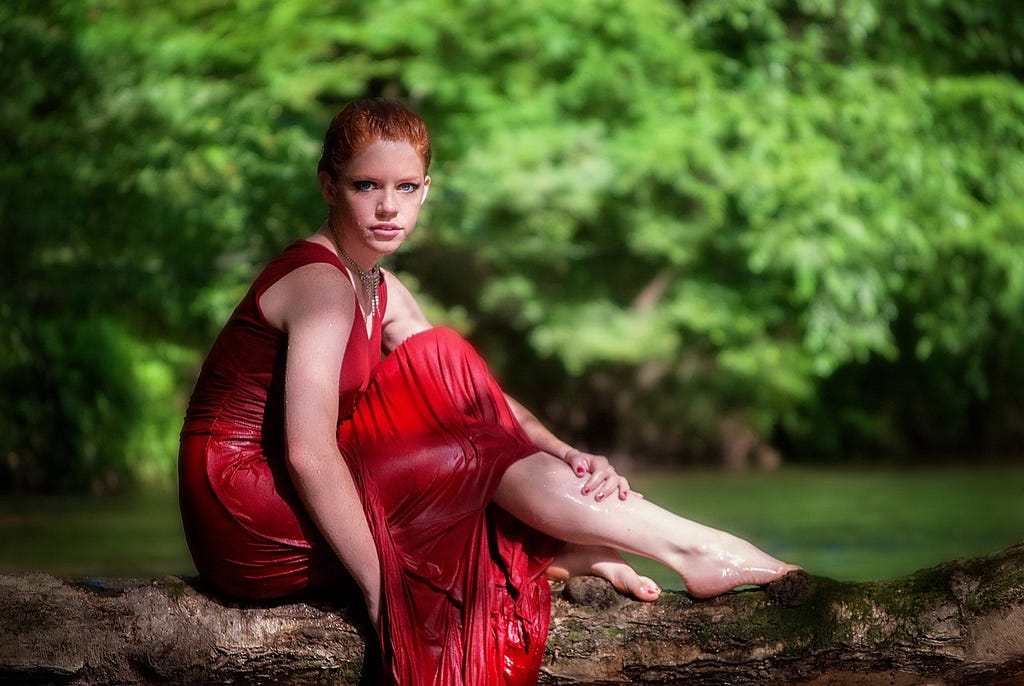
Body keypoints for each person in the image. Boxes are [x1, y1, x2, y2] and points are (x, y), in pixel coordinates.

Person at [178, 98, 800, 685]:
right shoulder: (322, 285)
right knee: (457, 431)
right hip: (245, 508)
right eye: (366, 186)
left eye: (407, 188)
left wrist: (564, 452)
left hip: (291, 487)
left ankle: (622, 544)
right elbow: (309, 453)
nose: (388, 207)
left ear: (426, 190)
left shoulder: (379, 288)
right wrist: (381, 594)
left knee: (444, 358)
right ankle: (682, 547)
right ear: (328, 187)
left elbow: (475, 400)